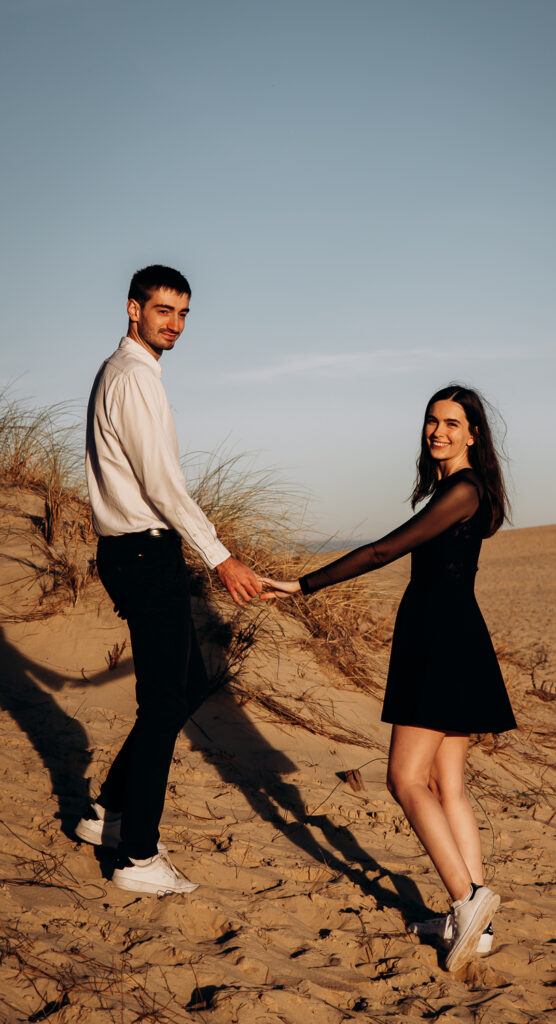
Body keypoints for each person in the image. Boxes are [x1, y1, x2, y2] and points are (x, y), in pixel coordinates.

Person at [260, 384, 516, 972]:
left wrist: (303, 585)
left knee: (405, 779)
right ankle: (476, 929)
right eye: (432, 421)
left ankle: (468, 898)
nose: (438, 432)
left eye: (452, 423)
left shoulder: (462, 490)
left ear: (474, 433)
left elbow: (381, 552)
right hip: (454, 639)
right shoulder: (472, 490)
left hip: (439, 644)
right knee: (448, 783)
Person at [77, 264, 262, 895]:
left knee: (182, 683)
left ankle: (107, 811)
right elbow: (162, 485)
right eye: (163, 311)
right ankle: (136, 856)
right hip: (141, 553)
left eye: (183, 314)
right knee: (162, 702)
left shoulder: (130, 373)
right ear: (134, 310)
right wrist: (221, 557)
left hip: (138, 552)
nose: (174, 324)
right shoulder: (133, 378)